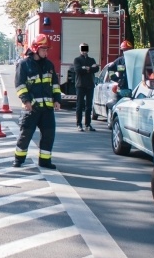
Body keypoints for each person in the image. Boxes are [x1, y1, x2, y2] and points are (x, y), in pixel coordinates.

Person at [12, 34, 62, 170]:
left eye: (47, 49)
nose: (46, 52)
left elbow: (55, 85)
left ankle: (45, 161)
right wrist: (26, 100)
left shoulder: (49, 65)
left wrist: (57, 99)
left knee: (49, 134)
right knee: (25, 134)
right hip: (31, 108)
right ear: (35, 49)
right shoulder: (24, 65)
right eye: (44, 49)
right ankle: (19, 159)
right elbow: (20, 84)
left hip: (47, 109)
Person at [73, 42, 99, 131]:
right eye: (82, 49)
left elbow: (96, 68)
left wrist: (86, 68)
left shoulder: (91, 59)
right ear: (80, 50)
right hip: (80, 85)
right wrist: (89, 68)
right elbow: (78, 70)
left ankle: (88, 124)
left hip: (90, 85)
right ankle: (79, 124)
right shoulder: (77, 60)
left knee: (88, 106)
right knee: (79, 105)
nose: (84, 51)